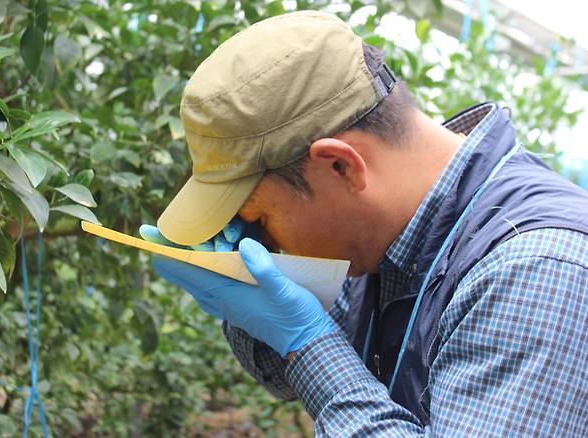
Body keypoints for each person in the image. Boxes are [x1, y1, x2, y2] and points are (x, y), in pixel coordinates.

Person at [139, 10, 588, 436]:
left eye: (259, 218)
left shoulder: (537, 270)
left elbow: (322, 365)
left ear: (339, 166)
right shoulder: (388, 239)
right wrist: (246, 304)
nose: (263, 240)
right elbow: (297, 378)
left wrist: (304, 338)